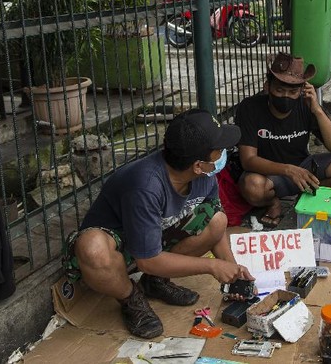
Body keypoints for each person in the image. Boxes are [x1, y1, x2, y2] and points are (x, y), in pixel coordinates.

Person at [62, 109, 255, 339]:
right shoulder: (146, 186)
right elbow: (148, 260)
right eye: (219, 151)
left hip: (154, 237)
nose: (225, 153)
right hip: (119, 247)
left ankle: (155, 283)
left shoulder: (204, 177)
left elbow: (216, 225)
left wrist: (233, 272)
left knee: (216, 219)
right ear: (197, 165)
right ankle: (130, 298)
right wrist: (212, 267)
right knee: (92, 248)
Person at [233, 53, 331, 228]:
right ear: (267, 87)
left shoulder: (306, 104)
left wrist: (317, 109)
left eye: (292, 92)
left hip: (304, 167)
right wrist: (288, 170)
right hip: (268, 174)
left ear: (302, 90)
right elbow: (248, 160)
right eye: (279, 90)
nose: (286, 96)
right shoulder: (250, 108)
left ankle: (304, 199)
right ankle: (273, 202)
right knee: (251, 186)